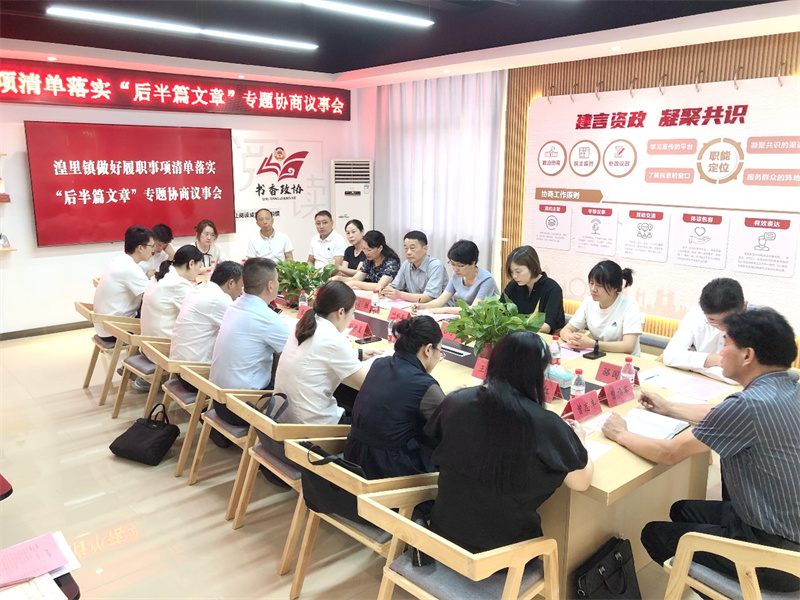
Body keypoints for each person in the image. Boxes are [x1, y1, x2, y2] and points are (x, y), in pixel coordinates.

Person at [602, 308, 800, 594]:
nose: (720, 352)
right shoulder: (788, 389)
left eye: (726, 344)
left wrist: (621, 433)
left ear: (747, 355)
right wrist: (669, 407)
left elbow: (669, 453)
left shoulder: (747, 406)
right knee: (681, 510)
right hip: (787, 531)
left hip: (773, 556)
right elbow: (718, 412)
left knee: (654, 534)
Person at [424, 330, 593, 552]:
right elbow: (581, 482)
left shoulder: (456, 401)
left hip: (442, 534)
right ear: (540, 373)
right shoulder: (546, 424)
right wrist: (580, 440)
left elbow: (435, 440)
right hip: (503, 555)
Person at [344, 315, 446, 479]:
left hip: (354, 458)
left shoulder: (379, 364)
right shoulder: (425, 386)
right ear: (428, 349)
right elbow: (451, 428)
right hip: (386, 471)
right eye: (440, 351)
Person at [274, 281, 380, 425]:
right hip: (309, 427)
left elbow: (319, 355)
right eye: (352, 313)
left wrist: (358, 354)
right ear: (341, 312)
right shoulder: (334, 339)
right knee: (375, 423)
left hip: (281, 417)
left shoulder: (305, 325)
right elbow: (368, 384)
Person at [209, 258, 291, 428]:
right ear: (270, 285)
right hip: (243, 408)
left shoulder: (234, 305)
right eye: (277, 280)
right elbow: (298, 350)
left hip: (219, 400)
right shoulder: (266, 318)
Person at [663, 278, 747, 381]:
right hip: (696, 383)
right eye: (712, 320)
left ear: (744, 307)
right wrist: (717, 359)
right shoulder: (696, 315)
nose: (721, 327)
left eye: (727, 320)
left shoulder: (756, 325)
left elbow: (737, 378)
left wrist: (692, 365)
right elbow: (670, 356)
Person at [170, 261, 243, 369]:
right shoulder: (219, 299)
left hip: (178, 363)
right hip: (194, 370)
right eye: (241, 286)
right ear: (231, 283)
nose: (241, 292)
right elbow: (243, 329)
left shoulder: (200, 288)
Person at [560, 259, 642, 356]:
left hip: (625, 361)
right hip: (599, 357)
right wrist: (571, 338)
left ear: (615, 288)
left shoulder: (629, 306)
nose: (593, 289)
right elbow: (565, 330)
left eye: (599, 285)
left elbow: (628, 346)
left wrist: (593, 344)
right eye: (591, 283)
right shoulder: (588, 302)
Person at [93, 225, 154, 339]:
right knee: (160, 314)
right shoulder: (130, 268)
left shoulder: (118, 260)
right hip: (115, 329)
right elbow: (154, 295)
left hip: (104, 325)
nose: (153, 250)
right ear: (140, 248)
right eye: (152, 246)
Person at [416, 239, 499, 314]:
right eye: (452, 264)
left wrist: (444, 310)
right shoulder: (456, 275)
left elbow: (475, 308)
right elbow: (441, 300)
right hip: (467, 316)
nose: (455, 269)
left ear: (473, 263)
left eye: (460, 265)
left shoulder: (486, 279)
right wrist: (423, 306)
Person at [140, 245, 204, 339]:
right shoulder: (178, 284)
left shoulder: (162, 275)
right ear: (191, 264)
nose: (198, 271)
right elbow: (197, 314)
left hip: (147, 341)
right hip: (162, 343)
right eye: (199, 266)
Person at [501, 245, 565, 334]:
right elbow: (500, 311)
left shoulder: (553, 289)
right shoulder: (513, 285)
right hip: (516, 337)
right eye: (512, 272)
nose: (514, 276)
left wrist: (516, 327)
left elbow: (546, 326)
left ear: (532, 267)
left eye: (518, 271)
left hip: (544, 339)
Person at [381, 230, 447, 303]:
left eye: (412, 248)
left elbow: (429, 297)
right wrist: (387, 290)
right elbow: (395, 286)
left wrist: (400, 295)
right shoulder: (406, 264)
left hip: (436, 307)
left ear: (425, 249)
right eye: (406, 248)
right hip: (414, 305)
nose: (408, 252)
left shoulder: (436, 266)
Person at [332, 230, 400, 291]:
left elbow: (380, 285)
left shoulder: (391, 263)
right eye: (364, 249)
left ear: (380, 248)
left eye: (369, 250)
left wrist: (355, 284)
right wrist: (339, 279)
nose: (366, 253)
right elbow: (355, 279)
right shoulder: (369, 260)